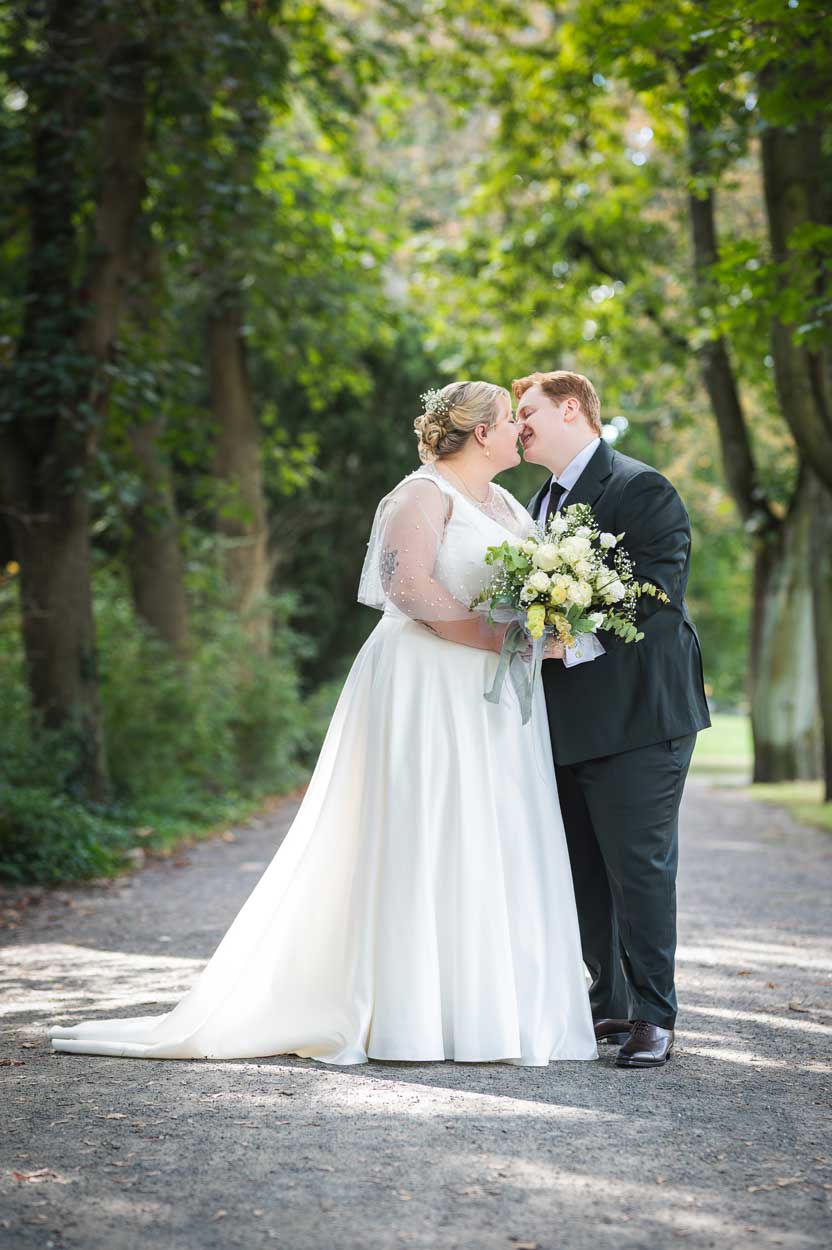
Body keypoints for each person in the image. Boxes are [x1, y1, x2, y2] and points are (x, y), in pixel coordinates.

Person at [50, 380, 597, 1066]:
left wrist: (545, 628)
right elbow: (406, 586)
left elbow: (520, 590)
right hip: (424, 682)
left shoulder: (509, 503)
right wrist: (497, 637)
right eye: (508, 419)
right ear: (478, 431)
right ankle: (407, 1011)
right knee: (422, 825)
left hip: (489, 694)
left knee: (486, 828)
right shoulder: (421, 494)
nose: (521, 428)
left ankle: (480, 1008)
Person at [515, 369, 711, 1069]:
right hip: (564, 722)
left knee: (640, 868)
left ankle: (656, 1015)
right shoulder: (536, 501)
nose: (520, 424)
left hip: (639, 716)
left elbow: (660, 589)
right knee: (583, 872)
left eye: (529, 410)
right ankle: (610, 1003)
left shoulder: (639, 486)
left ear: (573, 409)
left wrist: (575, 639)